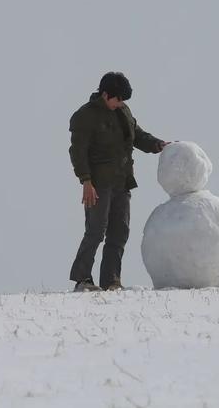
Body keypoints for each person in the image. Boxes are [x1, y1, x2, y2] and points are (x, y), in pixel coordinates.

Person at [68, 72, 168, 292]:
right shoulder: (85, 116)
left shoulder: (123, 111)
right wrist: (86, 181)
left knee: (119, 232)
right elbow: (77, 152)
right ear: (105, 95)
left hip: (122, 182)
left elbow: (137, 135)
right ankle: (82, 279)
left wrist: (158, 145)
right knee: (96, 230)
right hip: (97, 185)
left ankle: (112, 281)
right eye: (118, 99)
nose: (121, 103)